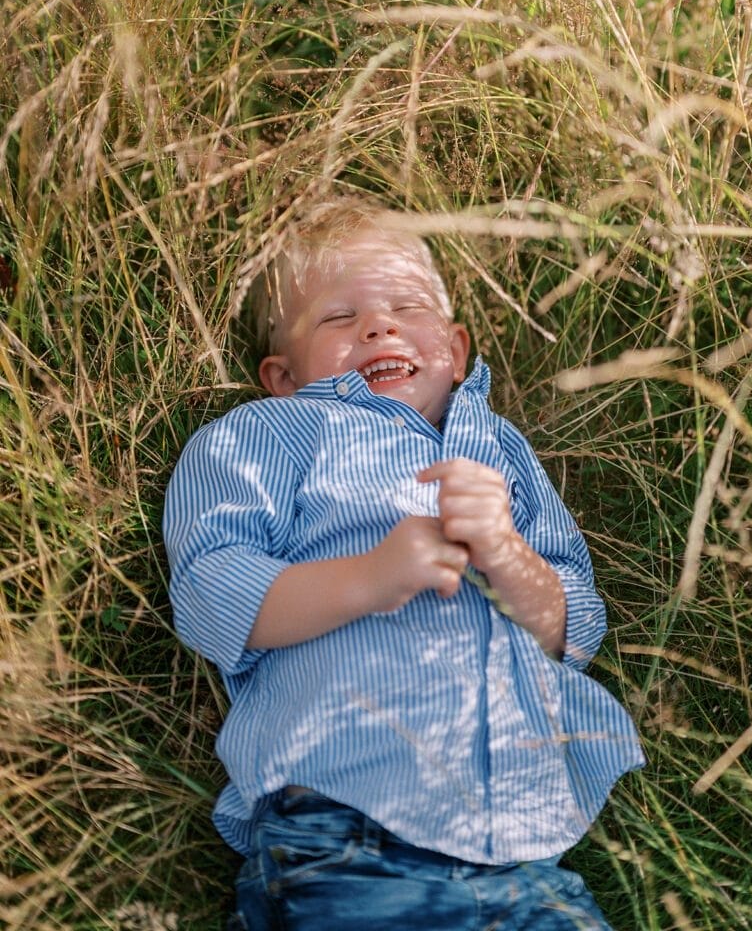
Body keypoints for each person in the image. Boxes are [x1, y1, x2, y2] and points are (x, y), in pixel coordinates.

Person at [163, 197, 645, 930]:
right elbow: (209, 588)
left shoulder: (500, 450)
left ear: (454, 352)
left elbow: (574, 626)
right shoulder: (271, 432)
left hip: (523, 849)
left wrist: (510, 558)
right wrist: (367, 578)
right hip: (348, 823)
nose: (378, 326)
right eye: (337, 318)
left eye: (406, 307)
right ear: (283, 376)